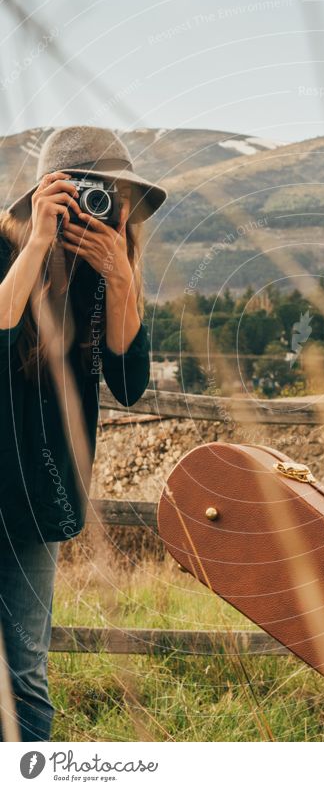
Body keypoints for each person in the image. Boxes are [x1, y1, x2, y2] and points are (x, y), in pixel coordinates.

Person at [0, 126, 166, 741]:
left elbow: (128, 381)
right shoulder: (5, 247)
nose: (92, 209)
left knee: (25, 675)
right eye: (80, 194)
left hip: (38, 502)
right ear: (45, 194)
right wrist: (36, 243)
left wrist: (120, 275)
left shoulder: (108, 274)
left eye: (110, 197)